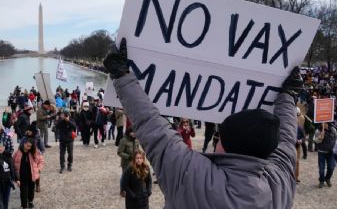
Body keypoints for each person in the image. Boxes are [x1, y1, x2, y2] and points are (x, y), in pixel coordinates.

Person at [103, 38, 304, 208]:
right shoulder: (279, 184)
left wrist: (121, 75)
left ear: (223, 143)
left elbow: (152, 126)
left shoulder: (192, 175)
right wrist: (288, 95)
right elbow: (286, 141)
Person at [12, 138, 44, 209]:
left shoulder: (35, 151)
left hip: (32, 175)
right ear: (24, 143)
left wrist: (38, 169)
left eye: (30, 146)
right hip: (22, 177)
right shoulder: (17, 152)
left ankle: (30, 201)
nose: (28, 148)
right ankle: (24, 206)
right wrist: (15, 176)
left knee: (31, 190)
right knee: (23, 192)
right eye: (27, 145)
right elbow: (12, 163)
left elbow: (41, 160)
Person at [315, 122, 336, 188]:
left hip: (331, 152)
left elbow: (335, 138)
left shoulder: (333, 130)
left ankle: (327, 178)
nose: (323, 124)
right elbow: (315, 140)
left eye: (325, 123)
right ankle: (321, 181)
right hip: (321, 152)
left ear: (328, 123)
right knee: (321, 169)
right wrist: (320, 138)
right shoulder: (318, 130)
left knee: (331, 167)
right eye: (322, 123)